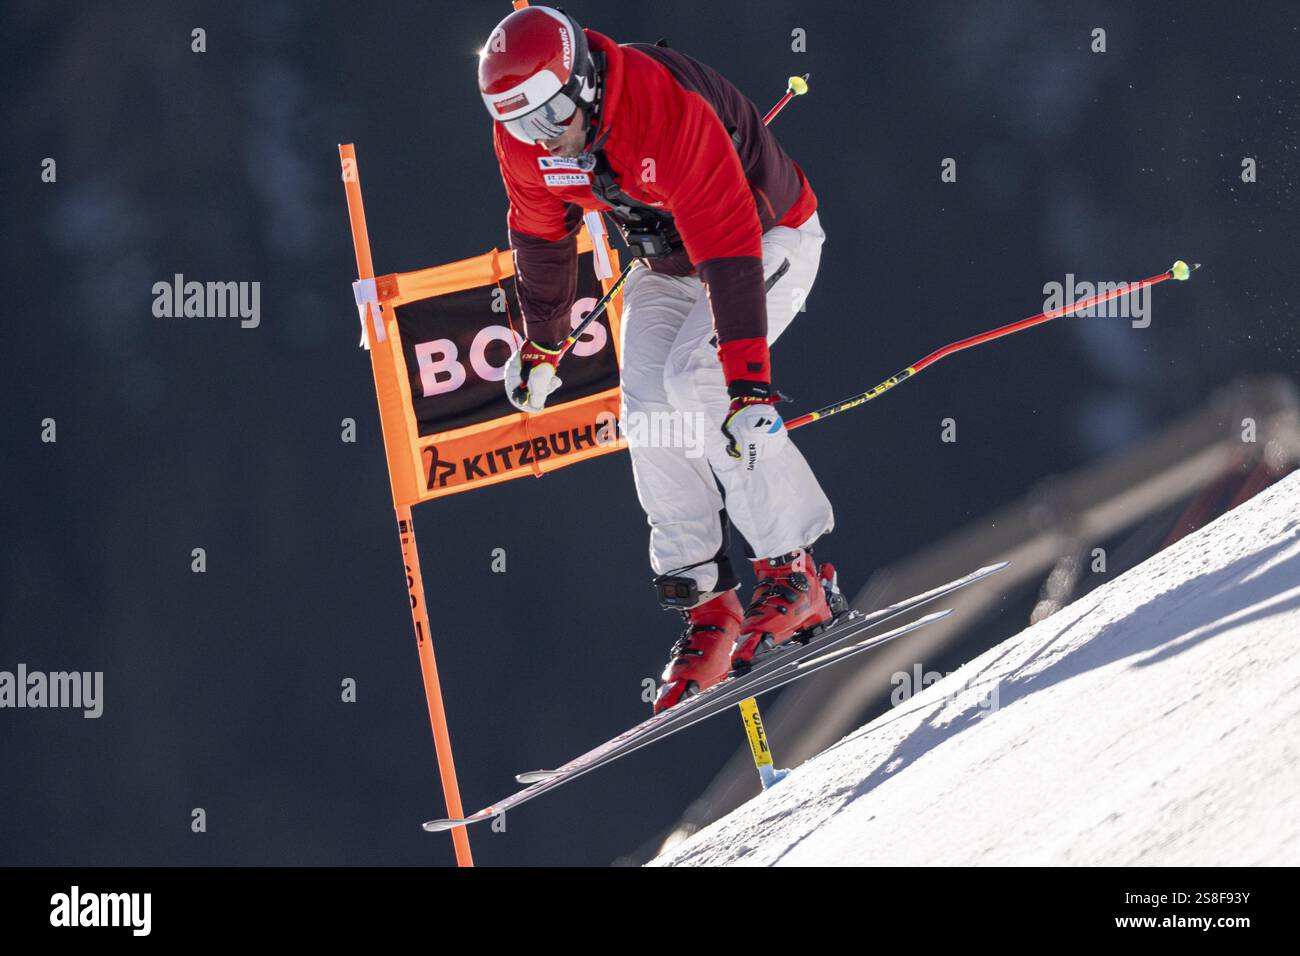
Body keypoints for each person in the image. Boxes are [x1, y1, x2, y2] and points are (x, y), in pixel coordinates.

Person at [478, 6, 840, 712]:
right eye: (521, 124)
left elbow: (733, 252)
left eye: (550, 115)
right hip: (667, 266)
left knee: (697, 378)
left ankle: (795, 570)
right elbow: (542, 235)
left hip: (767, 240)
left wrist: (751, 390)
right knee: (645, 403)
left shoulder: (658, 109)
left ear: (582, 83)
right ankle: (709, 603)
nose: (542, 137)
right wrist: (544, 341)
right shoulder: (526, 143)